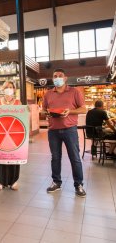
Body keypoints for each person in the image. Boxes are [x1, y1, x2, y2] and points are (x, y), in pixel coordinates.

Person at [42, 68, 87, 197]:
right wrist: (47, 113)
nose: (57, 78)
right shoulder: (48, 93)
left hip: (70, 130)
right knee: (55, 158)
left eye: (60, 76)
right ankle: (56, 182)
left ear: (65, 78)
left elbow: (83, 109)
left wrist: (70, 111)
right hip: (53, 131)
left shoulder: (74, 92)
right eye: (55, 76)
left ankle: (78, 184)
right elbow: (44, 109)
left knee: (75, 158)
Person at [0, 81, 22, 190]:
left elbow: (21, 117)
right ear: (3, 89)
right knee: (0, 157)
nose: (9, 89)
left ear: (14, 89)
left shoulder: (18, 102)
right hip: (0, 134)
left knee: (14, 157)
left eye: (11, 87)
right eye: (7, 87)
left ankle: (13, 181)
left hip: (14, 134)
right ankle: (1, 181)